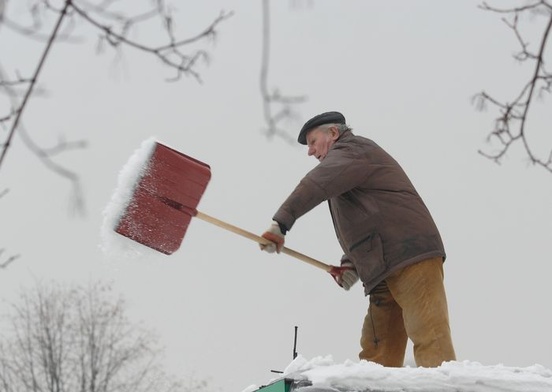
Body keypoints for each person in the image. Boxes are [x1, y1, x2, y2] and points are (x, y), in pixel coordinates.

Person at [259, 111, 456, 368]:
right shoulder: (346, 168)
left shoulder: (353, 151)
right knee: (377, 355)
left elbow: (315, 185)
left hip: (410, 257)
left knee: (430, 338)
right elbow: (366, 220)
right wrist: (351, 263)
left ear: (333, 133)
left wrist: (280, 224)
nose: (310, 151)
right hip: (382, 270)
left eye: (312, 142)